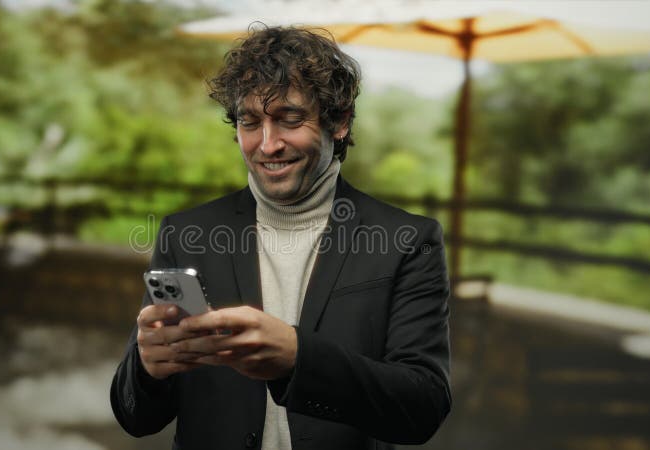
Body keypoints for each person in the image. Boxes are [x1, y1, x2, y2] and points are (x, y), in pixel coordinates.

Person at [110, 24, 451, 450]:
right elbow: (136, 418)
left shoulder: (408, 240)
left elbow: (422, 408)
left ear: (339, 121)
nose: (267, 145)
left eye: (289, 119)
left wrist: (297, 359)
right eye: (249, 122)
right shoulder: (186, 234)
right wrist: (146, 368)